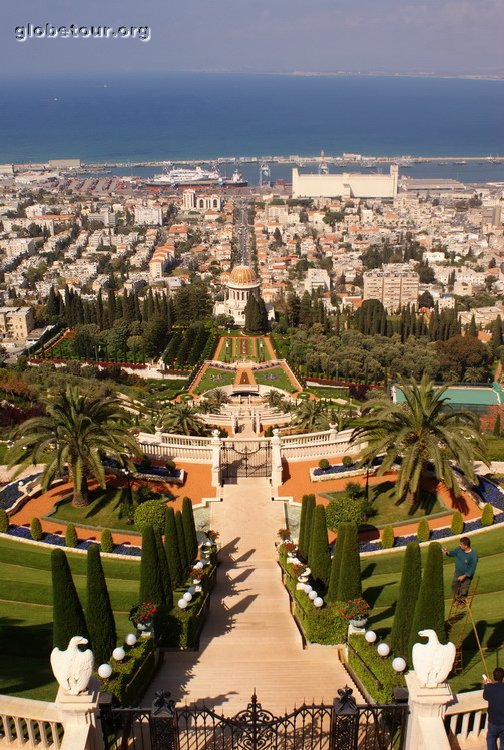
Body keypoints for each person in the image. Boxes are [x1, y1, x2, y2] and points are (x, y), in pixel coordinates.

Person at [442, 536, 478, 602]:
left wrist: (464, 576)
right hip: (457, 573)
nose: (460, 545)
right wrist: (447, 552)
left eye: (461, 544)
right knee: (454, 586)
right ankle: (456, 600)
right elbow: (453, 553)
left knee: (464, 591)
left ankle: (462, 602)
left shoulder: (473, 556)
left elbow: (472, 569)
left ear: (466, 546)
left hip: (466, 576)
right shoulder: (459, 549)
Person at [483, 668, 504, 750]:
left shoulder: (490, 688)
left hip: (493, 722)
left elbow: (485, 697)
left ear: (493, 676)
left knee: (491, 739)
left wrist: (486, 685)